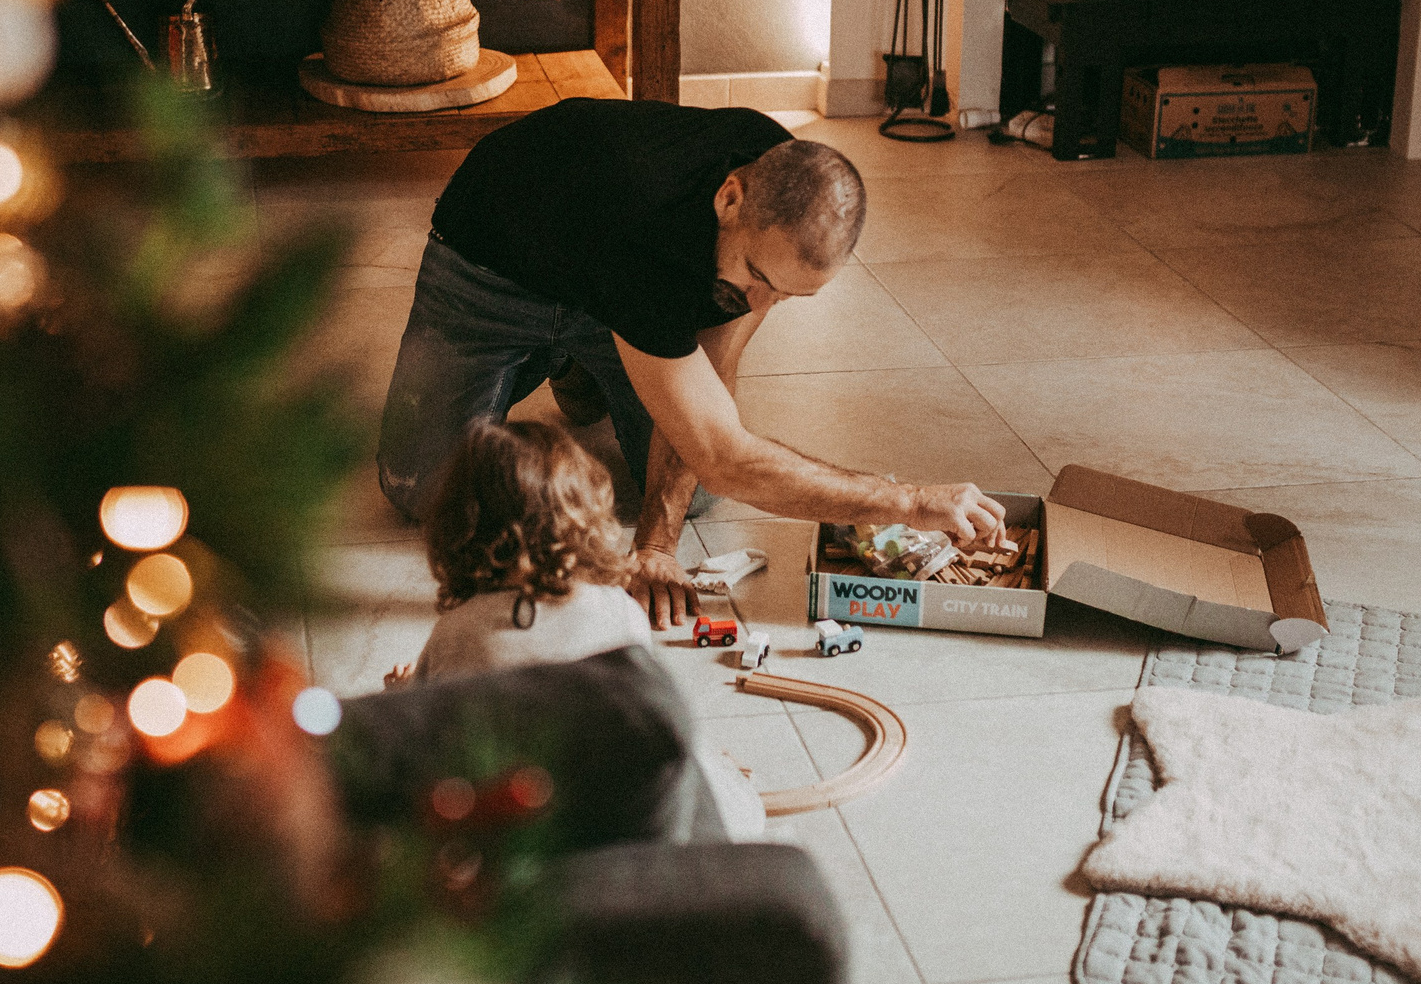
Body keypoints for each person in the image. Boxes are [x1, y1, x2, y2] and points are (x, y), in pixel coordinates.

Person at [378, 97, 1003, 628]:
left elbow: (715, 382)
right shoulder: (648, 230)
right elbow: (723, 455)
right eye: (759, 279)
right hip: (490, 265)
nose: (760, 305)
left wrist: (656, 545)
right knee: (424, 490)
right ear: (729, 198)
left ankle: (588, 360)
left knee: (692, 497)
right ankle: (564, 357)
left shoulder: (778, 198)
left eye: (787, 295)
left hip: (618, 288)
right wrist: (909, 502)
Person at [397, 417, 767, 840]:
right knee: (700, 765)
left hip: (519, 819)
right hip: (623, 811)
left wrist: (403, 690)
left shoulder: (454, 632)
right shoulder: (617, 608)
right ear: (582, 519)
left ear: (456, 527)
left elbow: (425, 729)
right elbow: (646, 701)